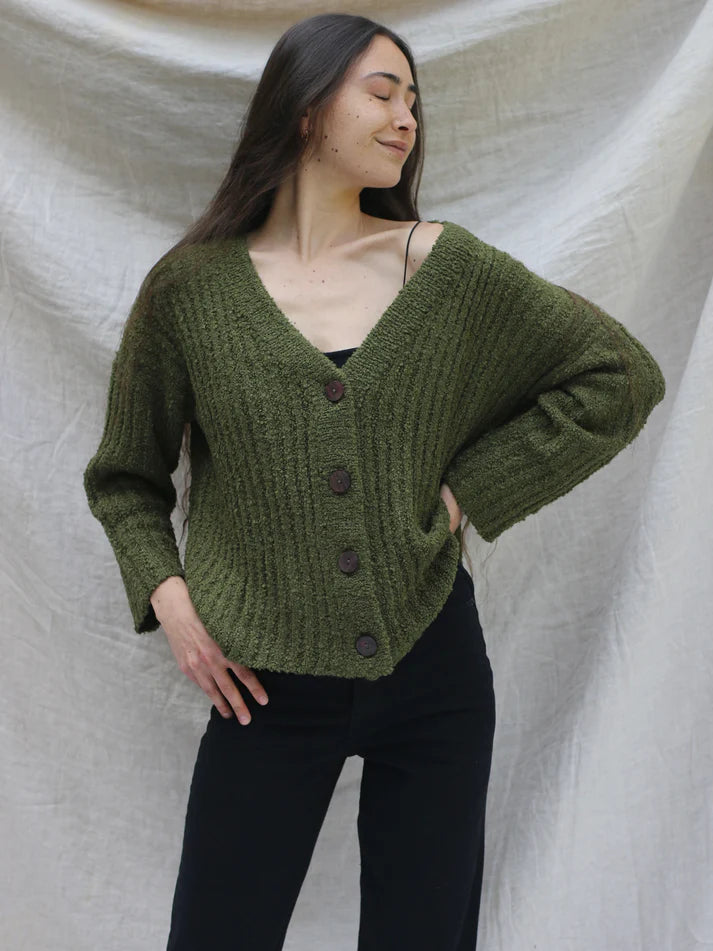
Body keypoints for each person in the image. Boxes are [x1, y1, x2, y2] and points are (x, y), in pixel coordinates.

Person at [82, 13, 666, 951]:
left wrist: (468, 491)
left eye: (414, 101)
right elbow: (125, 477)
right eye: (382, 93)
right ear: (306, 107)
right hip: (261, 682)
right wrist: (173, 600)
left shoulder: (443, 267)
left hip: (433, 666)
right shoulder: (190, 291)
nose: (406, 119)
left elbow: (618, 375)